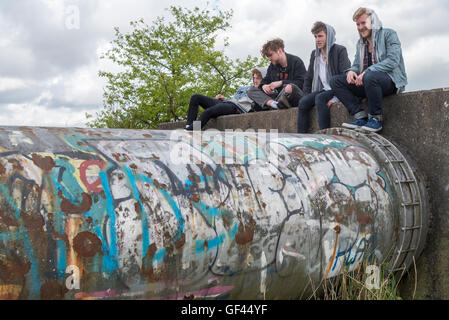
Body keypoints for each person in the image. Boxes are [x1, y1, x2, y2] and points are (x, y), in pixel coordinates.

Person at [329, 7, 407, 133]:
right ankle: (360, 116)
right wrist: (351, 71)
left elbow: (393, 61)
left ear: (373, 22)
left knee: (370, 76)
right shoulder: (360, 43)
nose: (360, 27)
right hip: (367, 83)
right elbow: (356, 65)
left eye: (363, 23)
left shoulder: (389, 34)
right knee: (334, 81)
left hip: (389, 81)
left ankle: (376, 118)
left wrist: (368, 71)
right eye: (358, 24)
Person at [297, 21, 351, 133]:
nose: (317, 39)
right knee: (303, 102)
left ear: (329, 36)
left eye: (320, 36)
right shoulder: (315, 54)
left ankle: (324, 134)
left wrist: (337, 97)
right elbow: (309, 77)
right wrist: (307, 95)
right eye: (315, 37)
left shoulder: (340, 50)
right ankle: (301, 136)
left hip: (336, 89)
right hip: (323, 89)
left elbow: (345, 75)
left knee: (320, 98)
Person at [184, 68, 267, 131]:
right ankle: (189, 125)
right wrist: (224, 98)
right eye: (254, 78)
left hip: (236, 109)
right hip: (228, 103)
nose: (255, 81)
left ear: (264, 79)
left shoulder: (262, 93)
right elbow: (235, 99)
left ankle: (192, 130)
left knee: (208, 112)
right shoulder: (245, 88)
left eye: (258, 78)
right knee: (196, 97)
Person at [247, 38, 306, 111]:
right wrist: (264, 86)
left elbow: (302, 83)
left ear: (279, 51)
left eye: (270, 55)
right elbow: (265, 80)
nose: (269, 58)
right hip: (277, 96)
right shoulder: (272, 66)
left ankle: (275, 105)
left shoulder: (296, 61)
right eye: (268, 56)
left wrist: (281, 83)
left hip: (293, 95)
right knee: (251, 90)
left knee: (289, 87)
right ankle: (274, 104)